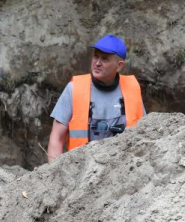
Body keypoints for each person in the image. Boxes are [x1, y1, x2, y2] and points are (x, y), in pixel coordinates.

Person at [47, 34, 146, 162]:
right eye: (96, 56)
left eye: (105, 59)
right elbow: (56, 138)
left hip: (124, 174)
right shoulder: (74, 89)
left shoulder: (132, 89)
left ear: (119, 65)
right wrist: (56, 177)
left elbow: (145, 134)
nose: (97, 63)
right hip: (81, 173)